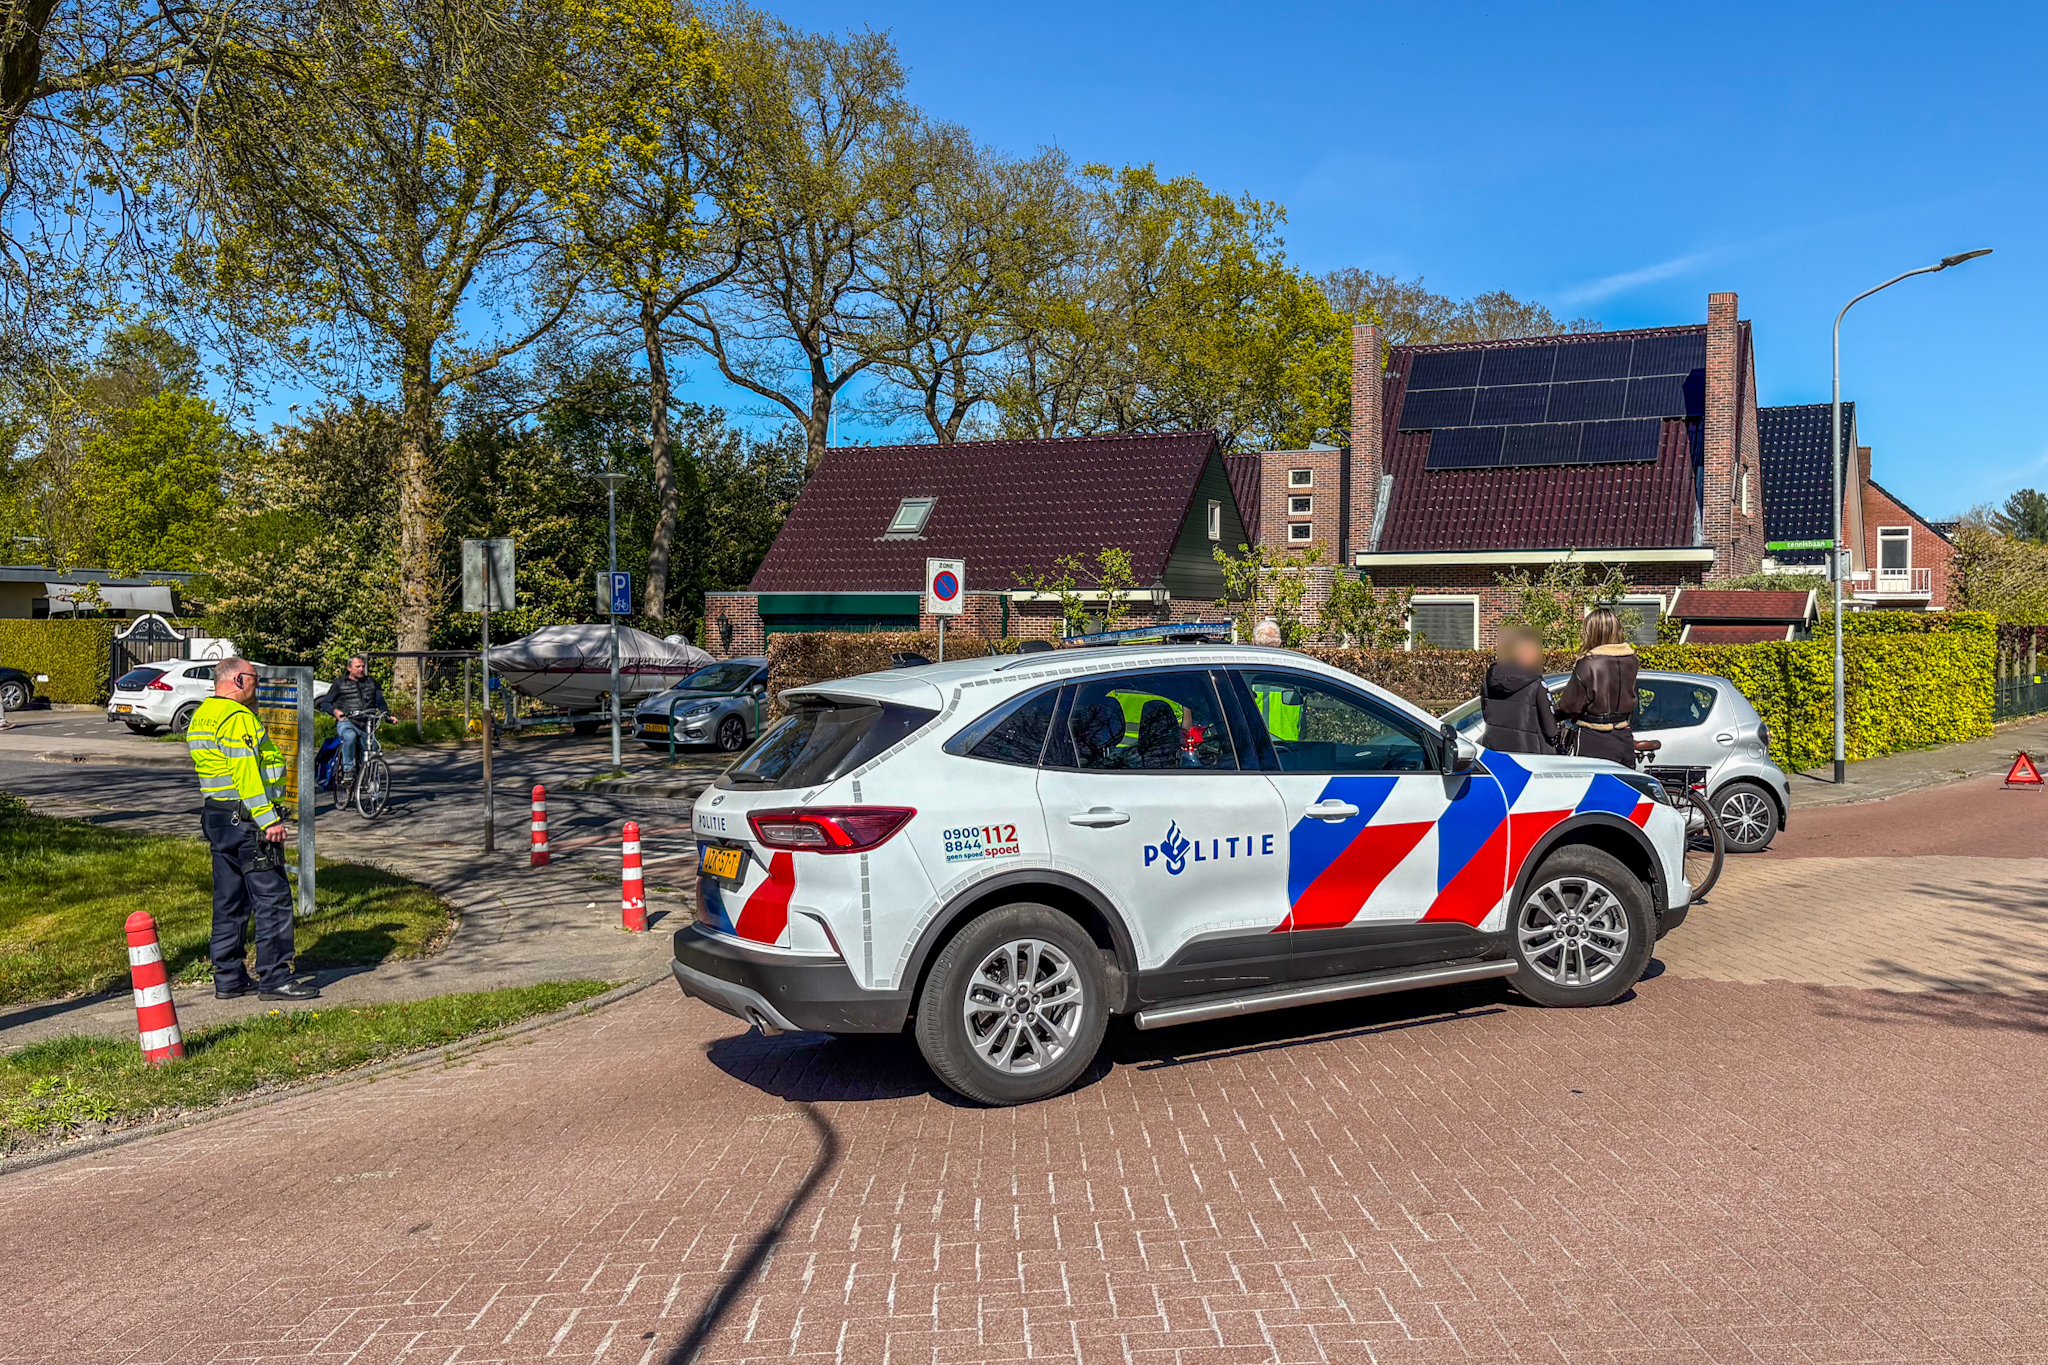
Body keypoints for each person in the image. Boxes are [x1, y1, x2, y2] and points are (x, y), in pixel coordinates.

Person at [186, 658, 319, 1001]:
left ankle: (228, 977)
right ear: (240, 680)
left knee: (229, 900)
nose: (258, 687)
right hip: (247, 821)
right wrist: (268, 819)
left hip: (218, 815)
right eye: (256, 682)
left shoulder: (204, 714)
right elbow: (245, 771)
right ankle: (275, 978)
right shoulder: (236, 718)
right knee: (272, 898)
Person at [1554, 607, 1639, 767]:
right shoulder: (1631, 660)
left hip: (1593, 739)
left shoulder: (1588, 663)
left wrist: (1551, 715)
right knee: (1622, 789)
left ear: (1593, 633)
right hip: (1624, 737)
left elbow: (1569, 705)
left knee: (1591, 789)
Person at [1480, 624, 1560, 755]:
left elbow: (1486, 715)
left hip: (1494, 753)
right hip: (1529, 755)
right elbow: (1551, 729)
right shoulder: (1536, 683)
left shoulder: (1488, 681)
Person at [327, 654, 387, 784]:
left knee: (374, 747)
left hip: (367, 724)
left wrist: (388, 715)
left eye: (363, 666)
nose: (361, 669)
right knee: (350, 737)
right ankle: (348, 770)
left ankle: (368, 776)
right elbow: (325, 702)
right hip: (348, 721)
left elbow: (380, 701)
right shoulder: (340, 683)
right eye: (357, 666)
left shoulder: (371, 682)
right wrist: (335, 711)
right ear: (349, 668)